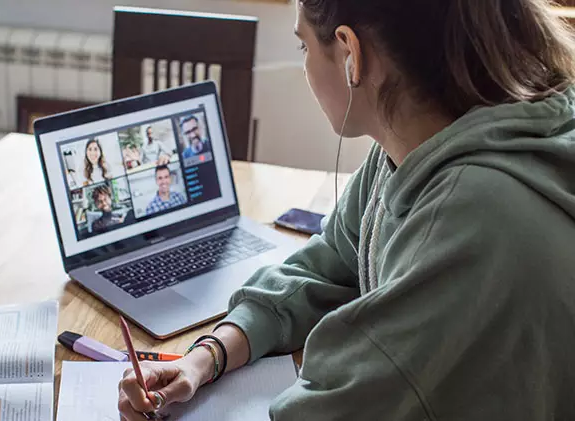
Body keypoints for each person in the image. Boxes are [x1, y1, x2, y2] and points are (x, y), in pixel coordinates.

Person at [119, 0, 575, 420]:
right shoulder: (414, 146)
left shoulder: (472, 220)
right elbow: (328, 266)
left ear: (350, 52)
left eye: (303, 44)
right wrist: (206, 358)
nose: (303, 62)